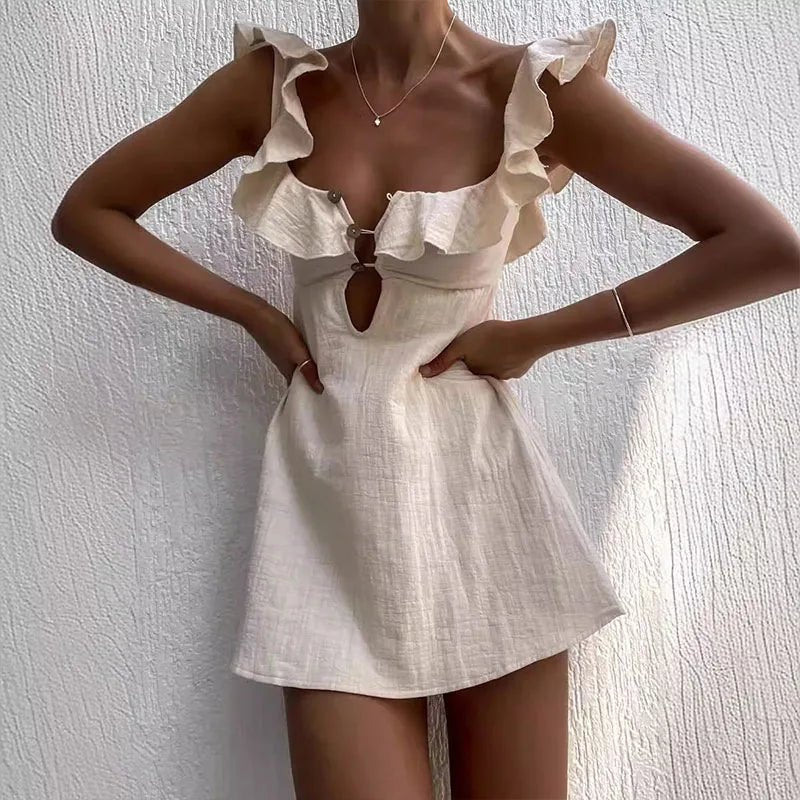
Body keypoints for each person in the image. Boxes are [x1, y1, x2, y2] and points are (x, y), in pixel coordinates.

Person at [50, 2, 800, 798]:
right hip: (328, 518)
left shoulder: (532, 89)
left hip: (487, 512)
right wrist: (253, 314)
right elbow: (87, 213)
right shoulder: (272, 86)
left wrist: (535, 336)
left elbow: (765, 248)